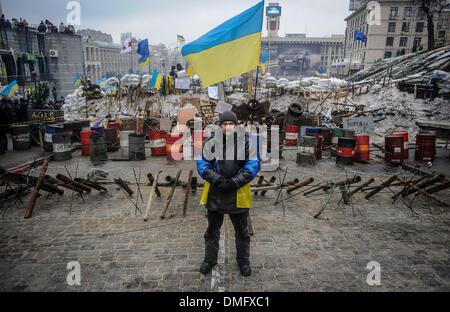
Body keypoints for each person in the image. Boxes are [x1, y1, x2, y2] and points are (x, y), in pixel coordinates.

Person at [196, 111, 261, 277]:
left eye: (231, 124)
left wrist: (234, 182)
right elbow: (202, 163)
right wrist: (217, 180)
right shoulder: (211, 142)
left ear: (236, 125)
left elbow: (253, 165)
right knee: (212, 231)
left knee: (242, 232)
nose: (228, 127)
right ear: (220, 126)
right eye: (225, 124)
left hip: (238, 193)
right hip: (215, 192)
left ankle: (243, 261)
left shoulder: (246, 143)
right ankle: (209, 260)